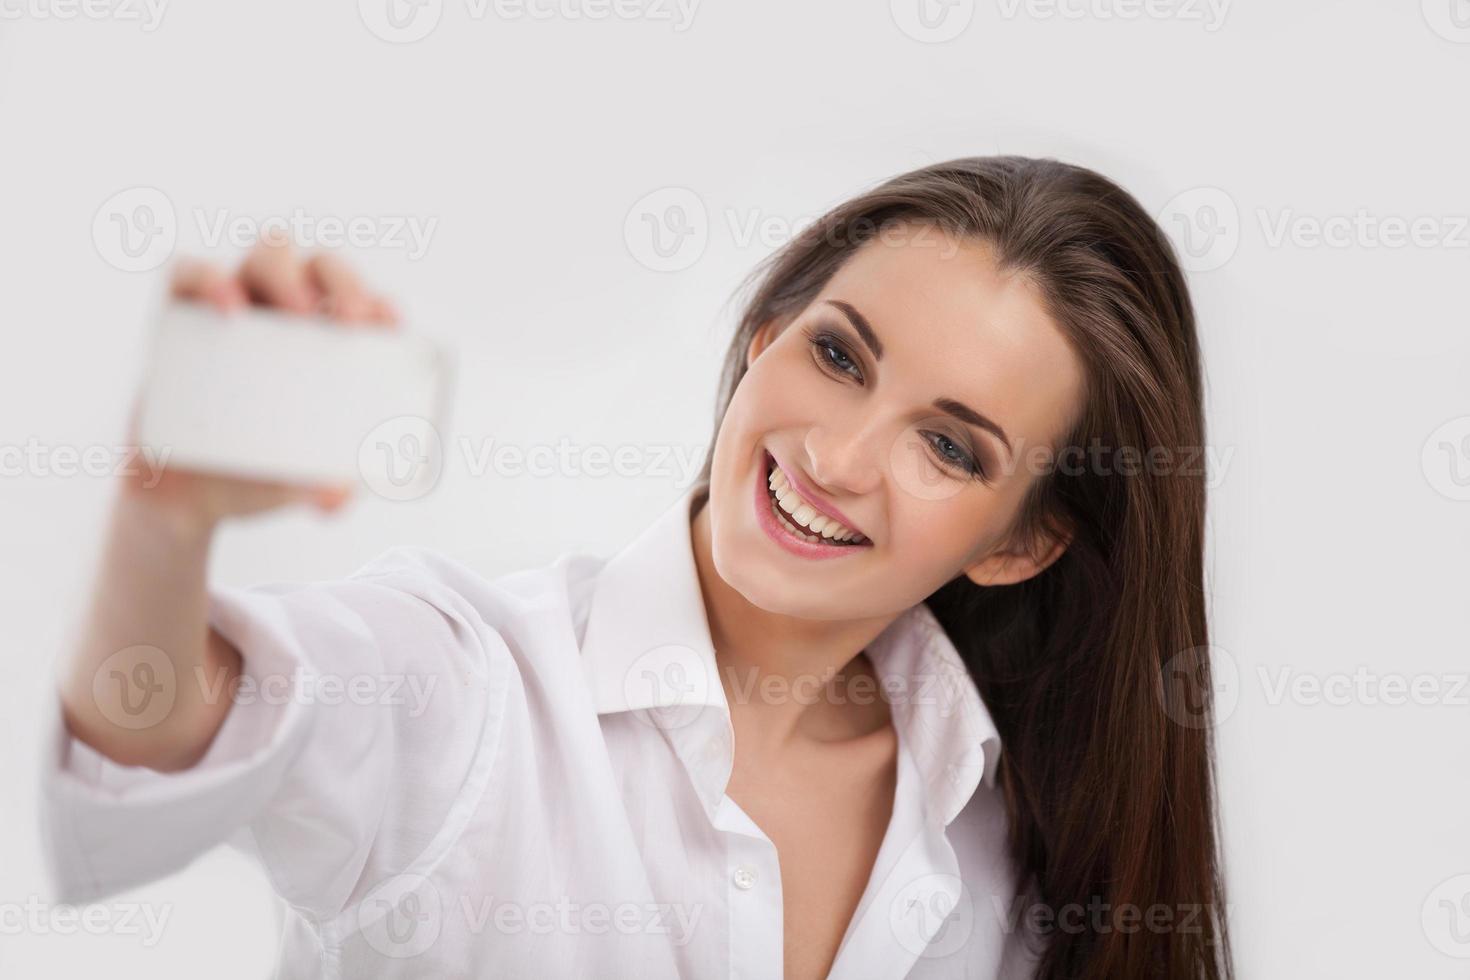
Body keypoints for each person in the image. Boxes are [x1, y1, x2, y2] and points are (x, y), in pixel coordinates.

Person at [42, 155, 1232, 979]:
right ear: (766, 338)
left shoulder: (1005, 830)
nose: (837, 454)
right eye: (836, 353)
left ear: (1021, 542)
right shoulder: (471, 685)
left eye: (947, 444)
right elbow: (156, 718)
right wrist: (165, 517)